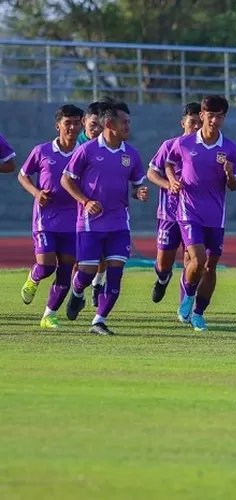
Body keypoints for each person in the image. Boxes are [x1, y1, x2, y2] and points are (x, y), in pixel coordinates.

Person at [61, 99, 149, 335]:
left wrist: (139, 192)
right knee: (86, 273)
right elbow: (66, 179)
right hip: (90, 224)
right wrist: (86, 201)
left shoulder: (131, 154)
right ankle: (77, 293)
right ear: (109, 123)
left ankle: (98, 321)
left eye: (129, 122)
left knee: (116, 272)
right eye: (124, 122)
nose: (128, 126)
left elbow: (137, 184)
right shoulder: (86, 150)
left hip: (119, 222)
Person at [166, 95, 236, 332]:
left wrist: (229, 174)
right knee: (197, 260)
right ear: (202, 115)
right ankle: (187, 296)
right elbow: (168, 162)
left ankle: (199, 313)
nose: (214, 120)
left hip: (215, 215)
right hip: (189, 212)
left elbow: (235, 185)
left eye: (219, 116)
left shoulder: (230, 148)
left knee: (210, 265)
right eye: (210, 115)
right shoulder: (185, 143)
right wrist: (172, 180)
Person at [18, 104, 84, 328]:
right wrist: (37, 193)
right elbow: (23, 175)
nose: (72, 127)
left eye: (77, 122)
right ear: (58, 126)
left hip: (74, 221)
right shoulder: (42, 151)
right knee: (46, 266)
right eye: (68, 123)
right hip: (45, 220)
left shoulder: (84, 153)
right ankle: (33, 278)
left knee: (66, 270)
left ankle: (48, 315)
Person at [146, 102, 201, 303]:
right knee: (163, 263)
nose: (196, 127)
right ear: (183, 123)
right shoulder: (170, 145)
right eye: (192, 122)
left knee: (191, 260)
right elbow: (151, 172)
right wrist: (168, 184)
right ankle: (162, 279)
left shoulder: (207, 149)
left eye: (199, 123)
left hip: (194, 214)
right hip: (169, 213)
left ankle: (183, 306)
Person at [76, 100, 107, 307]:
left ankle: (97, 284)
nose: (96, 130)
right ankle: (77, 293)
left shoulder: (109, 144)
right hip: (75, 207)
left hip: (100, 208)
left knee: (102, 254)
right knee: (76, 257)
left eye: (101, 126)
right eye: (93, 125)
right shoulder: (73, 144)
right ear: (84, 121)